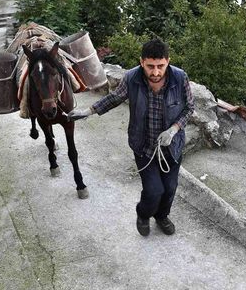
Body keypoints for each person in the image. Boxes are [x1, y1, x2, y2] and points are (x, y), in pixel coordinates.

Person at [68, 39, 194, 237]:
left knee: (169, 188)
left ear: (168, 62)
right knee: (154, 191)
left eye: (160, 66)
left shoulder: (180, 78)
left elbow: (189, 107)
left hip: (172, 147)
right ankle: (143, 214)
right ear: (141, 62)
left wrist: (174, 130)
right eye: (150, 66)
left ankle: (162, 216)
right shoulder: (132, 78)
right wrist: (89, 111)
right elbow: (115, 98)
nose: (155, 72)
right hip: (144, 147)